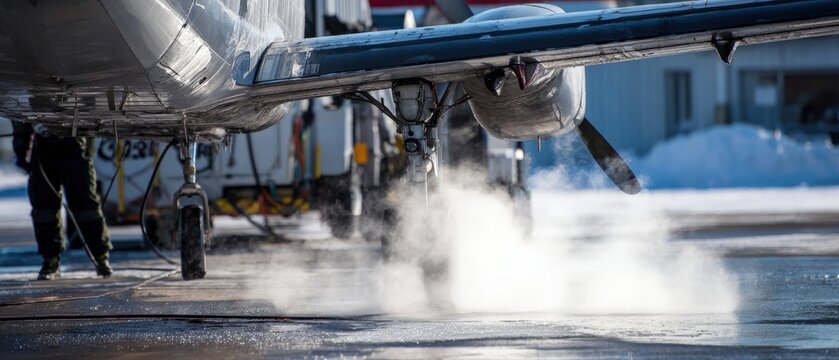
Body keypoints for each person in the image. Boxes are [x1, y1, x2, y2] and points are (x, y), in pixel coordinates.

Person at [12, 121, 112, 280]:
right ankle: (50, 261)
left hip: (74, 145)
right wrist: (20, 148)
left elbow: (91, 110)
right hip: (43, 149)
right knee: (44, 209)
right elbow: (21, 116)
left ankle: (101, 258)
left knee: (87, 207)